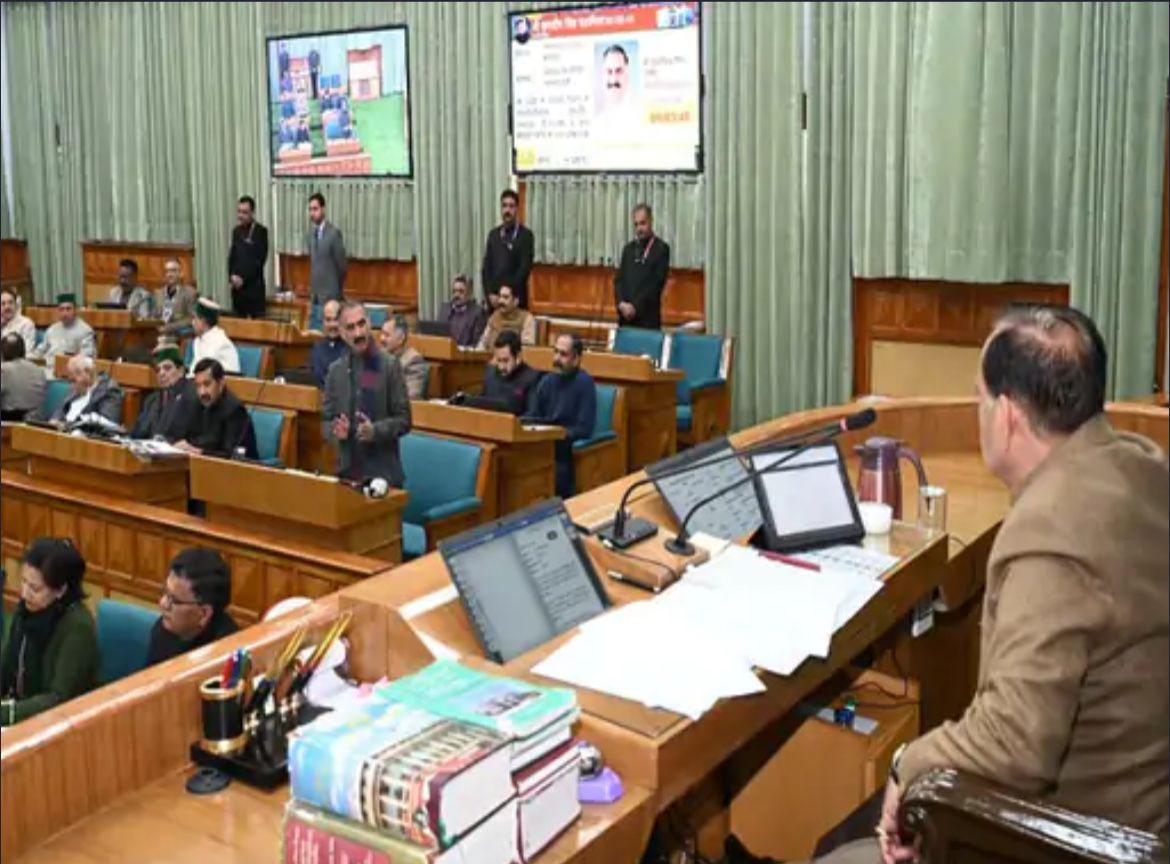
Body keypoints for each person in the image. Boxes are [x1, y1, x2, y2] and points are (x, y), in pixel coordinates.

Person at [811, 307, 1169, 864]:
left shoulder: (1052, 532)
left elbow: (1016, 743)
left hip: (1081, 837)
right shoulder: (1143, 466)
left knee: (835, 851)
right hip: (1142, 807)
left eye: (979, 398)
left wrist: (908, 762)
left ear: (1005, 416)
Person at [0, 538, 98, 727]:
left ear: (61, 590)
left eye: (35, 588)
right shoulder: (26, 611)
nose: (24, 594)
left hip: (64, 726)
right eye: (23, 582)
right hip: (24, 717)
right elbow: (6, 668)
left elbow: (57, 699)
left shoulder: (78, 628)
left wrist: (7, 714)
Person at [322, 302, 411, 487]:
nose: (358, 333)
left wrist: (375, 431)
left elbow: (404, 420)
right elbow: (326, 422)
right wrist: (337, 432)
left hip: (384, 478)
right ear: (341, 332)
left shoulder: (390, 366)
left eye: (361, 324)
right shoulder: (335, 371)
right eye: (350, 327)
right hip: (348, 475)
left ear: (369, 323)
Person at [145, 547, 239, 667]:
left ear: (204, 614)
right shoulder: (163, 631)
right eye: (165, 593)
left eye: (173, 600)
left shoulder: (228, 656)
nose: (162, 604)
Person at [529, 334, 597, 498]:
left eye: (563, 354)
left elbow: (584, 429)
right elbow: (534, 416)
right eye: (556, 352)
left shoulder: (585, 383)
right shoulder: (547, 381)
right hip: (542, 448)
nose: (556, 359)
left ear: (576, 359)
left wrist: (558, 434)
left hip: (566, 455)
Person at [175, 358, 257, 458]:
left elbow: (229, 455)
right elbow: (188, 437)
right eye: (198, 386)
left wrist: (197, 451)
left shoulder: (235, 410)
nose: (202, 392)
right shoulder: (196, 403)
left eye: (207, 384)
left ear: (221, 383)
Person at [614, 203, 671, 330]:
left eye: (643, 223)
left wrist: (635, 307)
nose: (639, 228)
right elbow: (619, 280)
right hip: (625, 320)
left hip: (647, 321)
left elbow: (655, 284)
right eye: (636, 224)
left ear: (651, 221)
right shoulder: (628, 249)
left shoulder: (661, 249)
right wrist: (621, 304)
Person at [481, 188, 535, 310]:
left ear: (517, 209)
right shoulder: (493, 235)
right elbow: (486, 269)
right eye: (504, 206)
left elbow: (524, 269)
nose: (507, 210)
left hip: (515, 301)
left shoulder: (526, 236)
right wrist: (489, 294)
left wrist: (507, 295)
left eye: (511, 206)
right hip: (494, 302)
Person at [131, 344, 197, 441]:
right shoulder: (151, 400)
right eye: (158, 370)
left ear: (181, 370)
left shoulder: (191, 395)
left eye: (167, 368)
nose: (161, 373)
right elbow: (137, 433)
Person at [49, 355, 124, 427]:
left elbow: (107, 423)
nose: (72, 385)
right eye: (70, 380)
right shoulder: (77, 387)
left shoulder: (109, 390)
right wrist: (55, 420)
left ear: (88, 372)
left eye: (74, 380)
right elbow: (61, 409)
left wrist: (68, 426)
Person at [227, 194, 269, 319]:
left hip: (254, 290)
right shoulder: (236, 231)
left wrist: (243, 279)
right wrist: (231, 275)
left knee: (257, 326)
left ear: (252, 213)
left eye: (245, 212)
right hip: (238, 291)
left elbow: (259, 261)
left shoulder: (260, 231)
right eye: (239, 211)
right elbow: (232, 257)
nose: (241, 215)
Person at [482, 330, 542, 416]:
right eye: (499, 360)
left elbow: (532, 414)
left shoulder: (533, 378)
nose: (501, 367)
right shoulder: (490, 373)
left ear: (518, 356)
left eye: (505, 361)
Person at [32, 294, 95, 371]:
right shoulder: (52, 329)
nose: (65, 313)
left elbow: (87, 358)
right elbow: (40, 351)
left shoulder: (85, 331)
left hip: (70, 372)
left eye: (68, 309)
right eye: (61, 309)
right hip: (47, 368)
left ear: (75, 310)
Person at [307, 192, 347, 306]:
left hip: (331, 295)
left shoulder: (334, 233)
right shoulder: (310, 235)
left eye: (315, 209)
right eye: (310, 209)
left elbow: (342, 267)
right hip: (315, 295)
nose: (312, 213)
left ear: (323, 209)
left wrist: (336, 290)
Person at [379, 315, 427, 400]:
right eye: (381, 333)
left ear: (401, 338)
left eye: (387, 335)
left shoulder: (413, 361)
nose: (381, 338)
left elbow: (409, 397)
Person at [0, 333, 46, 421]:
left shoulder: (3, 369)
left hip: (9, 421)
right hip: (36, 422)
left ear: (2, 353)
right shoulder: (39, 370)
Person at [190, 298, 241, 374]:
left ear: (203, 321)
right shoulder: (198, 340)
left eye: (194, 318)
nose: (192, 323)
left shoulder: (221, 343)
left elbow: (230, 375)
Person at [477, 284, 536, 350]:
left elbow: (527, 347)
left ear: (515, 301)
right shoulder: (494, 316)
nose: (501, 301)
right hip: (491, 355)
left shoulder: (526, 318)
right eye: (500, 297)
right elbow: (483, 342)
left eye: (506, 297)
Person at [439, 274, 488, 348]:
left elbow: (477, 343)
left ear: (469, 293)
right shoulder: (445, 309)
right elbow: (438, 336)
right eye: (454, 291)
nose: (456, 295)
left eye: (461, 291)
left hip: (465, 353)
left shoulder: (478, 313)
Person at [155, 258, 198, 336]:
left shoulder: (190, 293)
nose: (169, 274)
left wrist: (170, 327)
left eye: (173, 270)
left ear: (181, 273)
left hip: (178, 335)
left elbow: (192, 318)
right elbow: (155, 316)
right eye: (167, 271)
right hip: (157, 334)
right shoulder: (159, 293)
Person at [309, 298, 347, 386]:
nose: (332, 325)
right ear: (323, 322)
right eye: (328, 320)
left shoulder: (354, 347)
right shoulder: (317, 348)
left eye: (336, 319)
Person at [1, 288, 36, 354]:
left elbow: (26, 351)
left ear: (16, 305)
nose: (7, 307)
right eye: (3, 304)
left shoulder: (26, 324)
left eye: (10, 302)